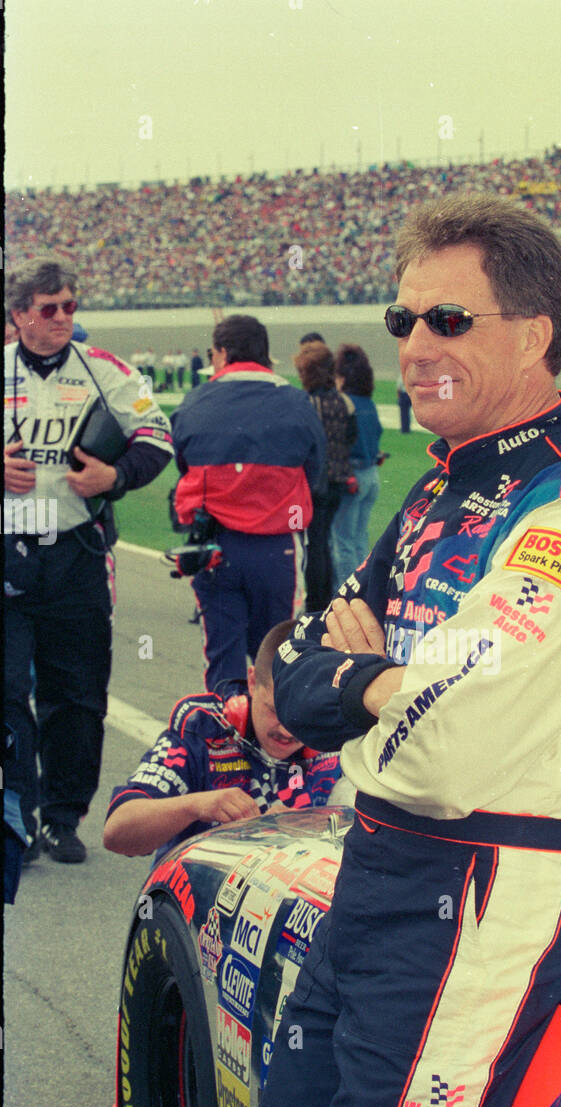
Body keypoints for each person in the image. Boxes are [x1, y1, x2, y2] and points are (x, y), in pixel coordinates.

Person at [206, 192, 561, 1107]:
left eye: (449, 322)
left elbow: (447, 748)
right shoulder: (444, 484)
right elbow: (297, 680)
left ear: (534, 334)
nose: (415, 347)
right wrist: (371, 683)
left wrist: (365, 687)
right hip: (379, 868)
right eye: (403, 319)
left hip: (482, 885)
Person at [4, 254, 173, 863]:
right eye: (49, 309)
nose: (61, 319)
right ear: (20, 314)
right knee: (6, 690)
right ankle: (14, 815)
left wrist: (115, 475)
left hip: (75, 552)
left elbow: (158, 436)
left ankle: (62, 815)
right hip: (8, 550)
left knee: (76, 692)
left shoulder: (108, 369)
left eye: (71, 307)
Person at [171, 314, 326, 691]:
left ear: (221, 353)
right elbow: (316, 471)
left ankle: (224, 741)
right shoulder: (295, 400)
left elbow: (182, 461)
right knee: (274, 655)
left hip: (215, 544)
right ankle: (272, 744)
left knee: (223, 659)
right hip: (277, 547)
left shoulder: (195, 400)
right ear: (264, 353)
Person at [104, 621, 347, 861]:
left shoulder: (341, 739)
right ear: (252, 682)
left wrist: (322, 826)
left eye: (303, 718)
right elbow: (117, 831)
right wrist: (197, 806)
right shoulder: (204, 727)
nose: (287, 730)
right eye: (275, 711)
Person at [293, 341, 357, 613]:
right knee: (324, 540)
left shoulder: (307, 404)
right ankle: (325, 597)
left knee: (313, 543)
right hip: (339, 480)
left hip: (314, 484)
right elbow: (350, 438)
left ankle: (316, 602)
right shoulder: (344, 401)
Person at [329, 343, 383, 587]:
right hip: (372, 475)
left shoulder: (344, 404)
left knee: (343, 543)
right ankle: (363, 589)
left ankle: (346, 594)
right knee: (360, 538)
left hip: (353, 476)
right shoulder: (368, 404)